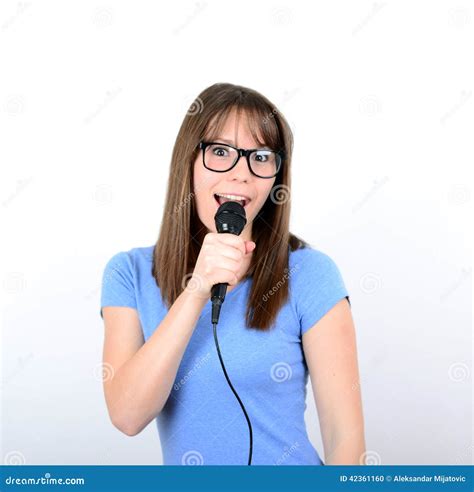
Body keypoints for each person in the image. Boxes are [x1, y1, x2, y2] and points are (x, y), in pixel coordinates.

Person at [100, 82, 366, 465]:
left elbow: (346, 442)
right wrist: (197, 289)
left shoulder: (311, 273)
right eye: (220, 151)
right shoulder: (129, 273)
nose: (241, 174)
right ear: (188, 162)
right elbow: (127, 415)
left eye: (260, 156)